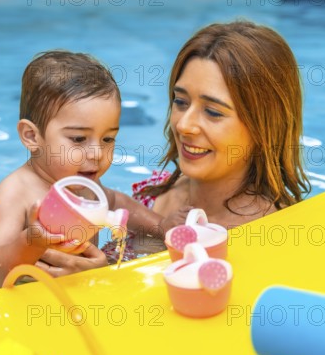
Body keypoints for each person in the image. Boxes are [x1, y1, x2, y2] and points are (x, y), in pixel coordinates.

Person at [0, 50, 180, 289]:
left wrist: (162, 227)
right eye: (78, 139)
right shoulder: (15, 192)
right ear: (32, 136)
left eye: (107, 139)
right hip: (27, 305)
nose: (97, 153)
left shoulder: (88, 187)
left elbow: (120, 204)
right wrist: (32, 241)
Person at [131, 21, 310, 239]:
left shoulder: (275, 237)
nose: (183, 125)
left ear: (263, 128)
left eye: (213, 112)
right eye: (181, 102)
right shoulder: (149, 196)